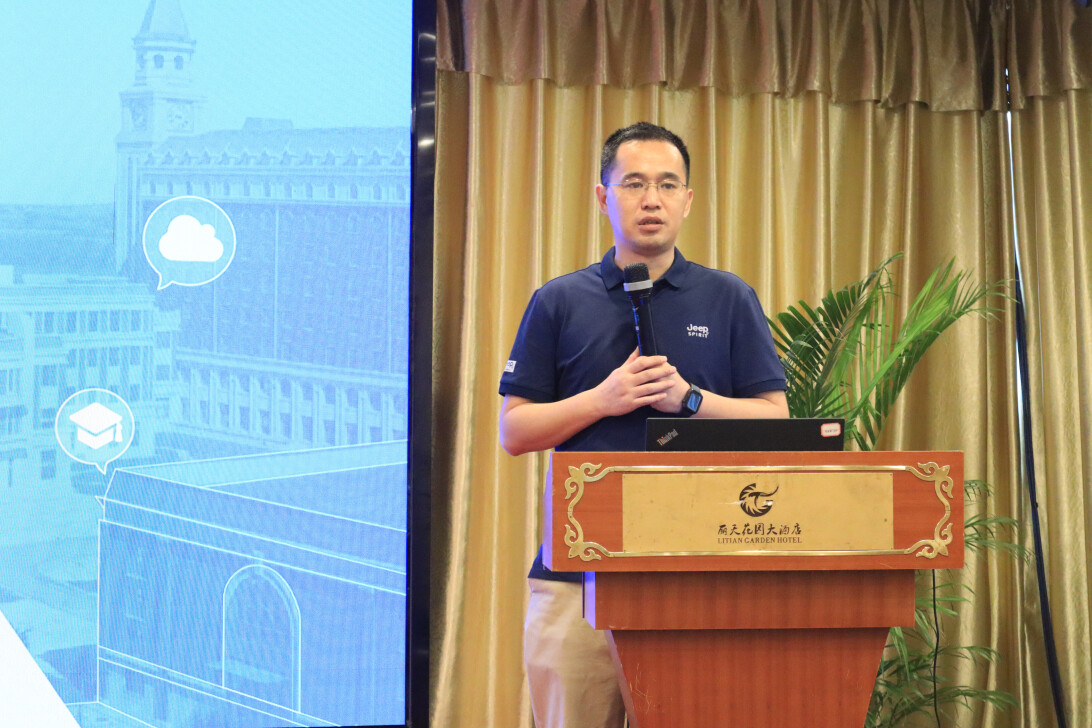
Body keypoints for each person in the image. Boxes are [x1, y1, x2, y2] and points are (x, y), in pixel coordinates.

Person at [498, 121, 788, 728]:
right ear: (603, 197)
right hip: (576, 579)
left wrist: (691, 400)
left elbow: (774, 418)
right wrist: (602, 400)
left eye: (667, 184)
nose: (651, 199)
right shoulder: (559, 300)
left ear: (688, 199)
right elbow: (515, 431)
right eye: (633, 184)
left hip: (697, 575)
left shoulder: (729, 297)